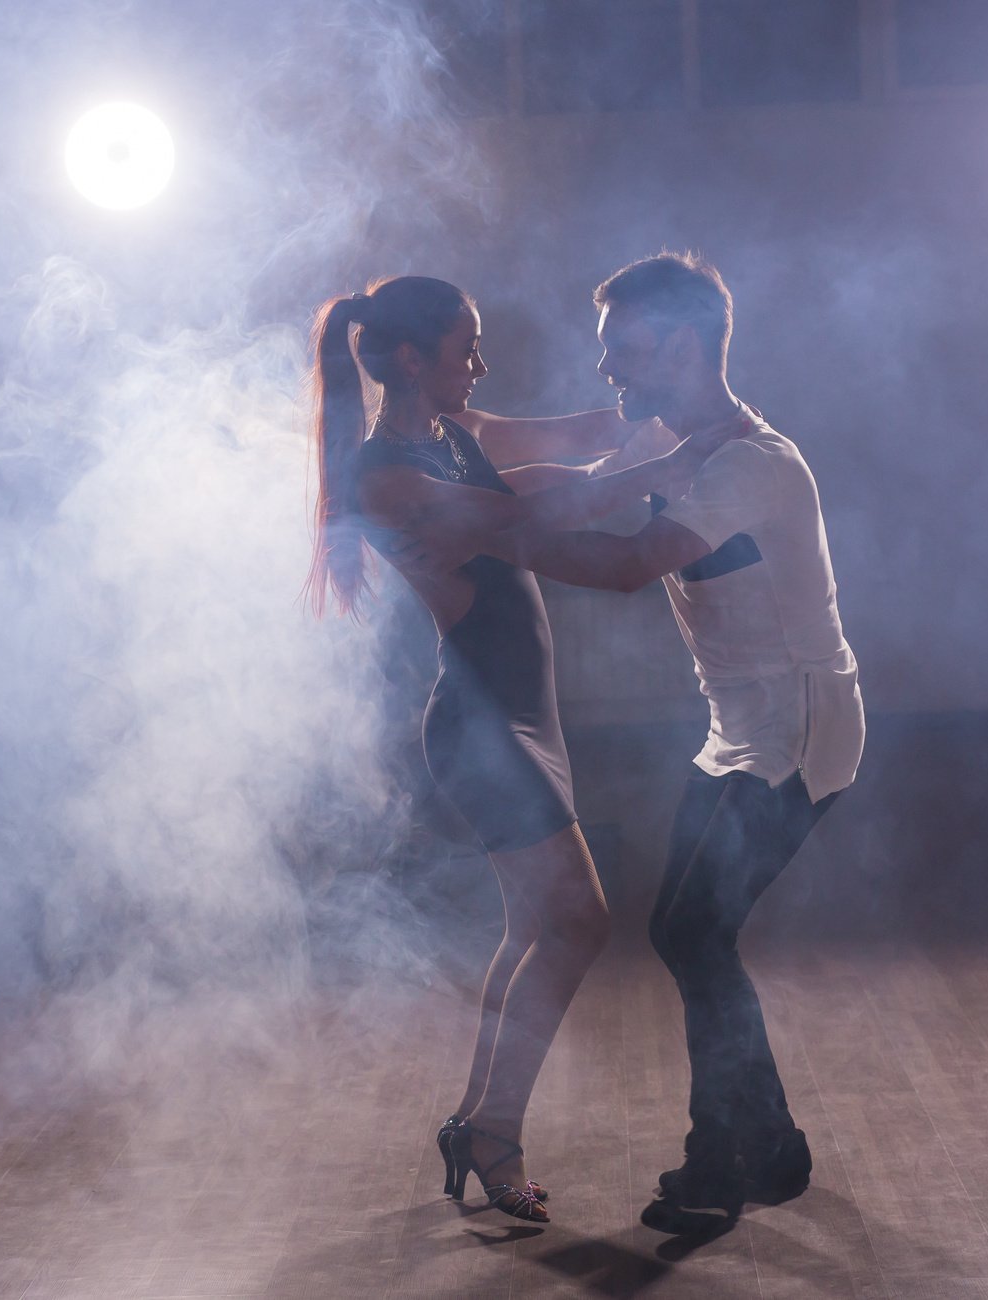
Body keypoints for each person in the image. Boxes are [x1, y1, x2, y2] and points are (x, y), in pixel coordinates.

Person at [417, 253, 865, 1229]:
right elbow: (575, 490)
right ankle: (774, 1147)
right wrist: (448, 496)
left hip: (800, 728)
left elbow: (628, 564)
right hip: (733, 728)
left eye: (625, 349)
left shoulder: (752, 462)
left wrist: (488, 536)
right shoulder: (665, 439)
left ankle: (722, 1163)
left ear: (685, 341)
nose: (610, 368)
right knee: (690, 933)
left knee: (688, 932)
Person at [306, 274, 708, 1223]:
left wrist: (655, 403)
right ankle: (492, 1130)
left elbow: (573, 443)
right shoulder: (387, 476)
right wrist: (669, 465)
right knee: (578, 922)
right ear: (411, 358)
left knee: (533, 929)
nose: (478, 365)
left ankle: (476, 1125)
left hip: (529, 715)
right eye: (465, 349)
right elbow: (527, 519)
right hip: (481, 725)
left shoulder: (454, 435)